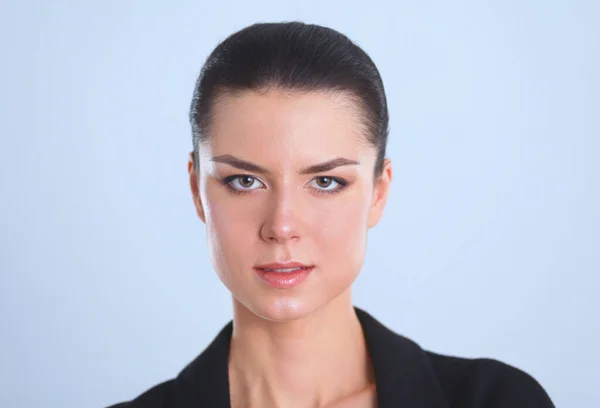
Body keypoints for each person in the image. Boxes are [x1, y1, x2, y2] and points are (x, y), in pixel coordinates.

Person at [106, 22, 554, 408]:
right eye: (245, 181)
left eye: (325, 182)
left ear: (378, 193)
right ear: (197, 190)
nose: (281, 226)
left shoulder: (497, 400)